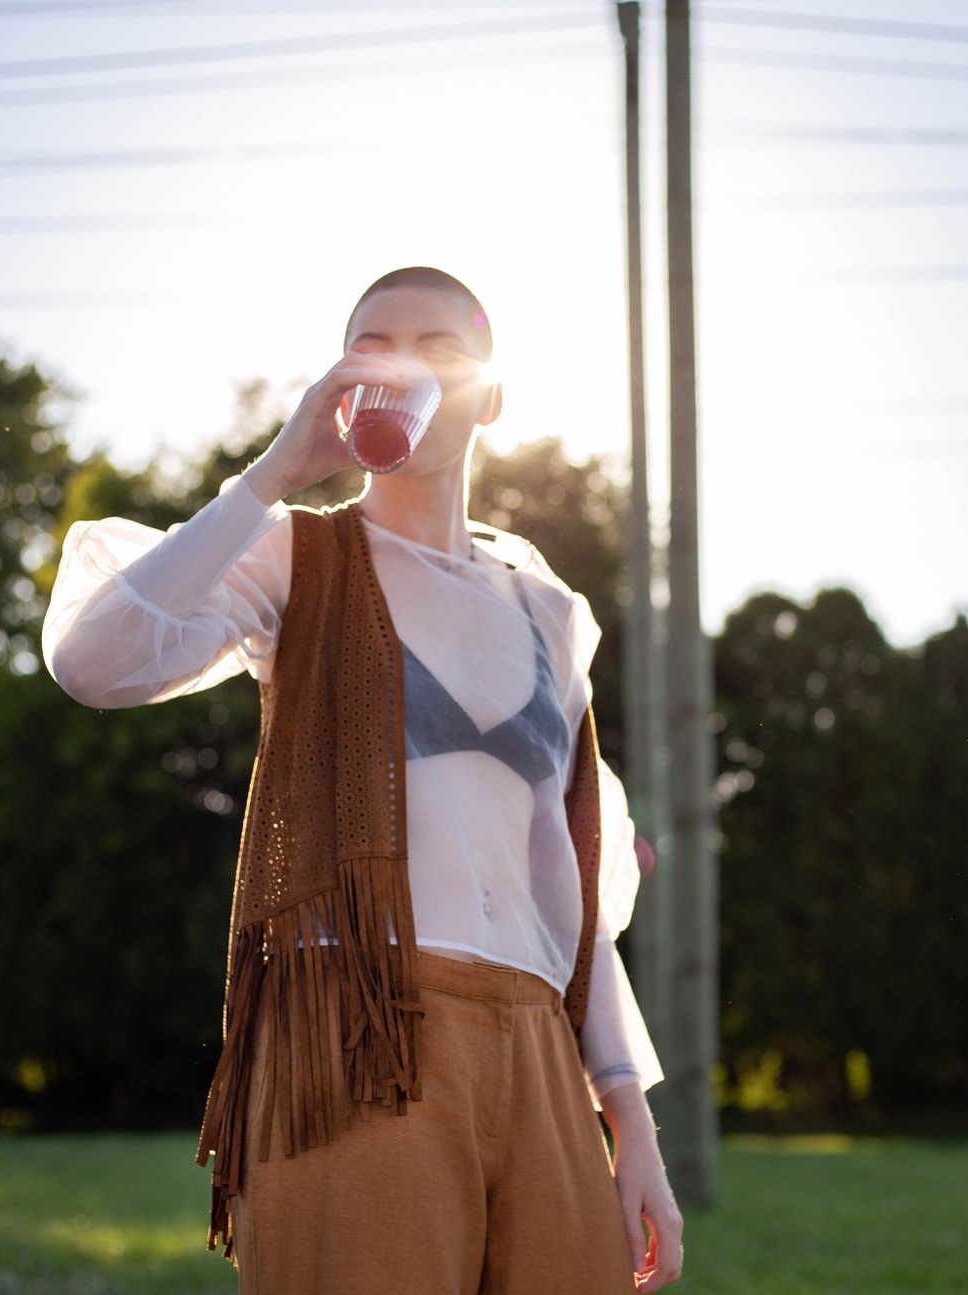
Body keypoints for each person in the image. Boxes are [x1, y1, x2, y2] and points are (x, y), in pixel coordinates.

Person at [43, 266, 684, 1293]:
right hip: (352, 1028)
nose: (402, 364)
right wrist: (276, 470)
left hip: (535, 1045)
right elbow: (95, 661)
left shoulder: (549, 617)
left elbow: (575, 900)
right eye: (373, 344)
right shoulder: (293, 554)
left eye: (438, 345)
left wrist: (632, 1126)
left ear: (490, 394)